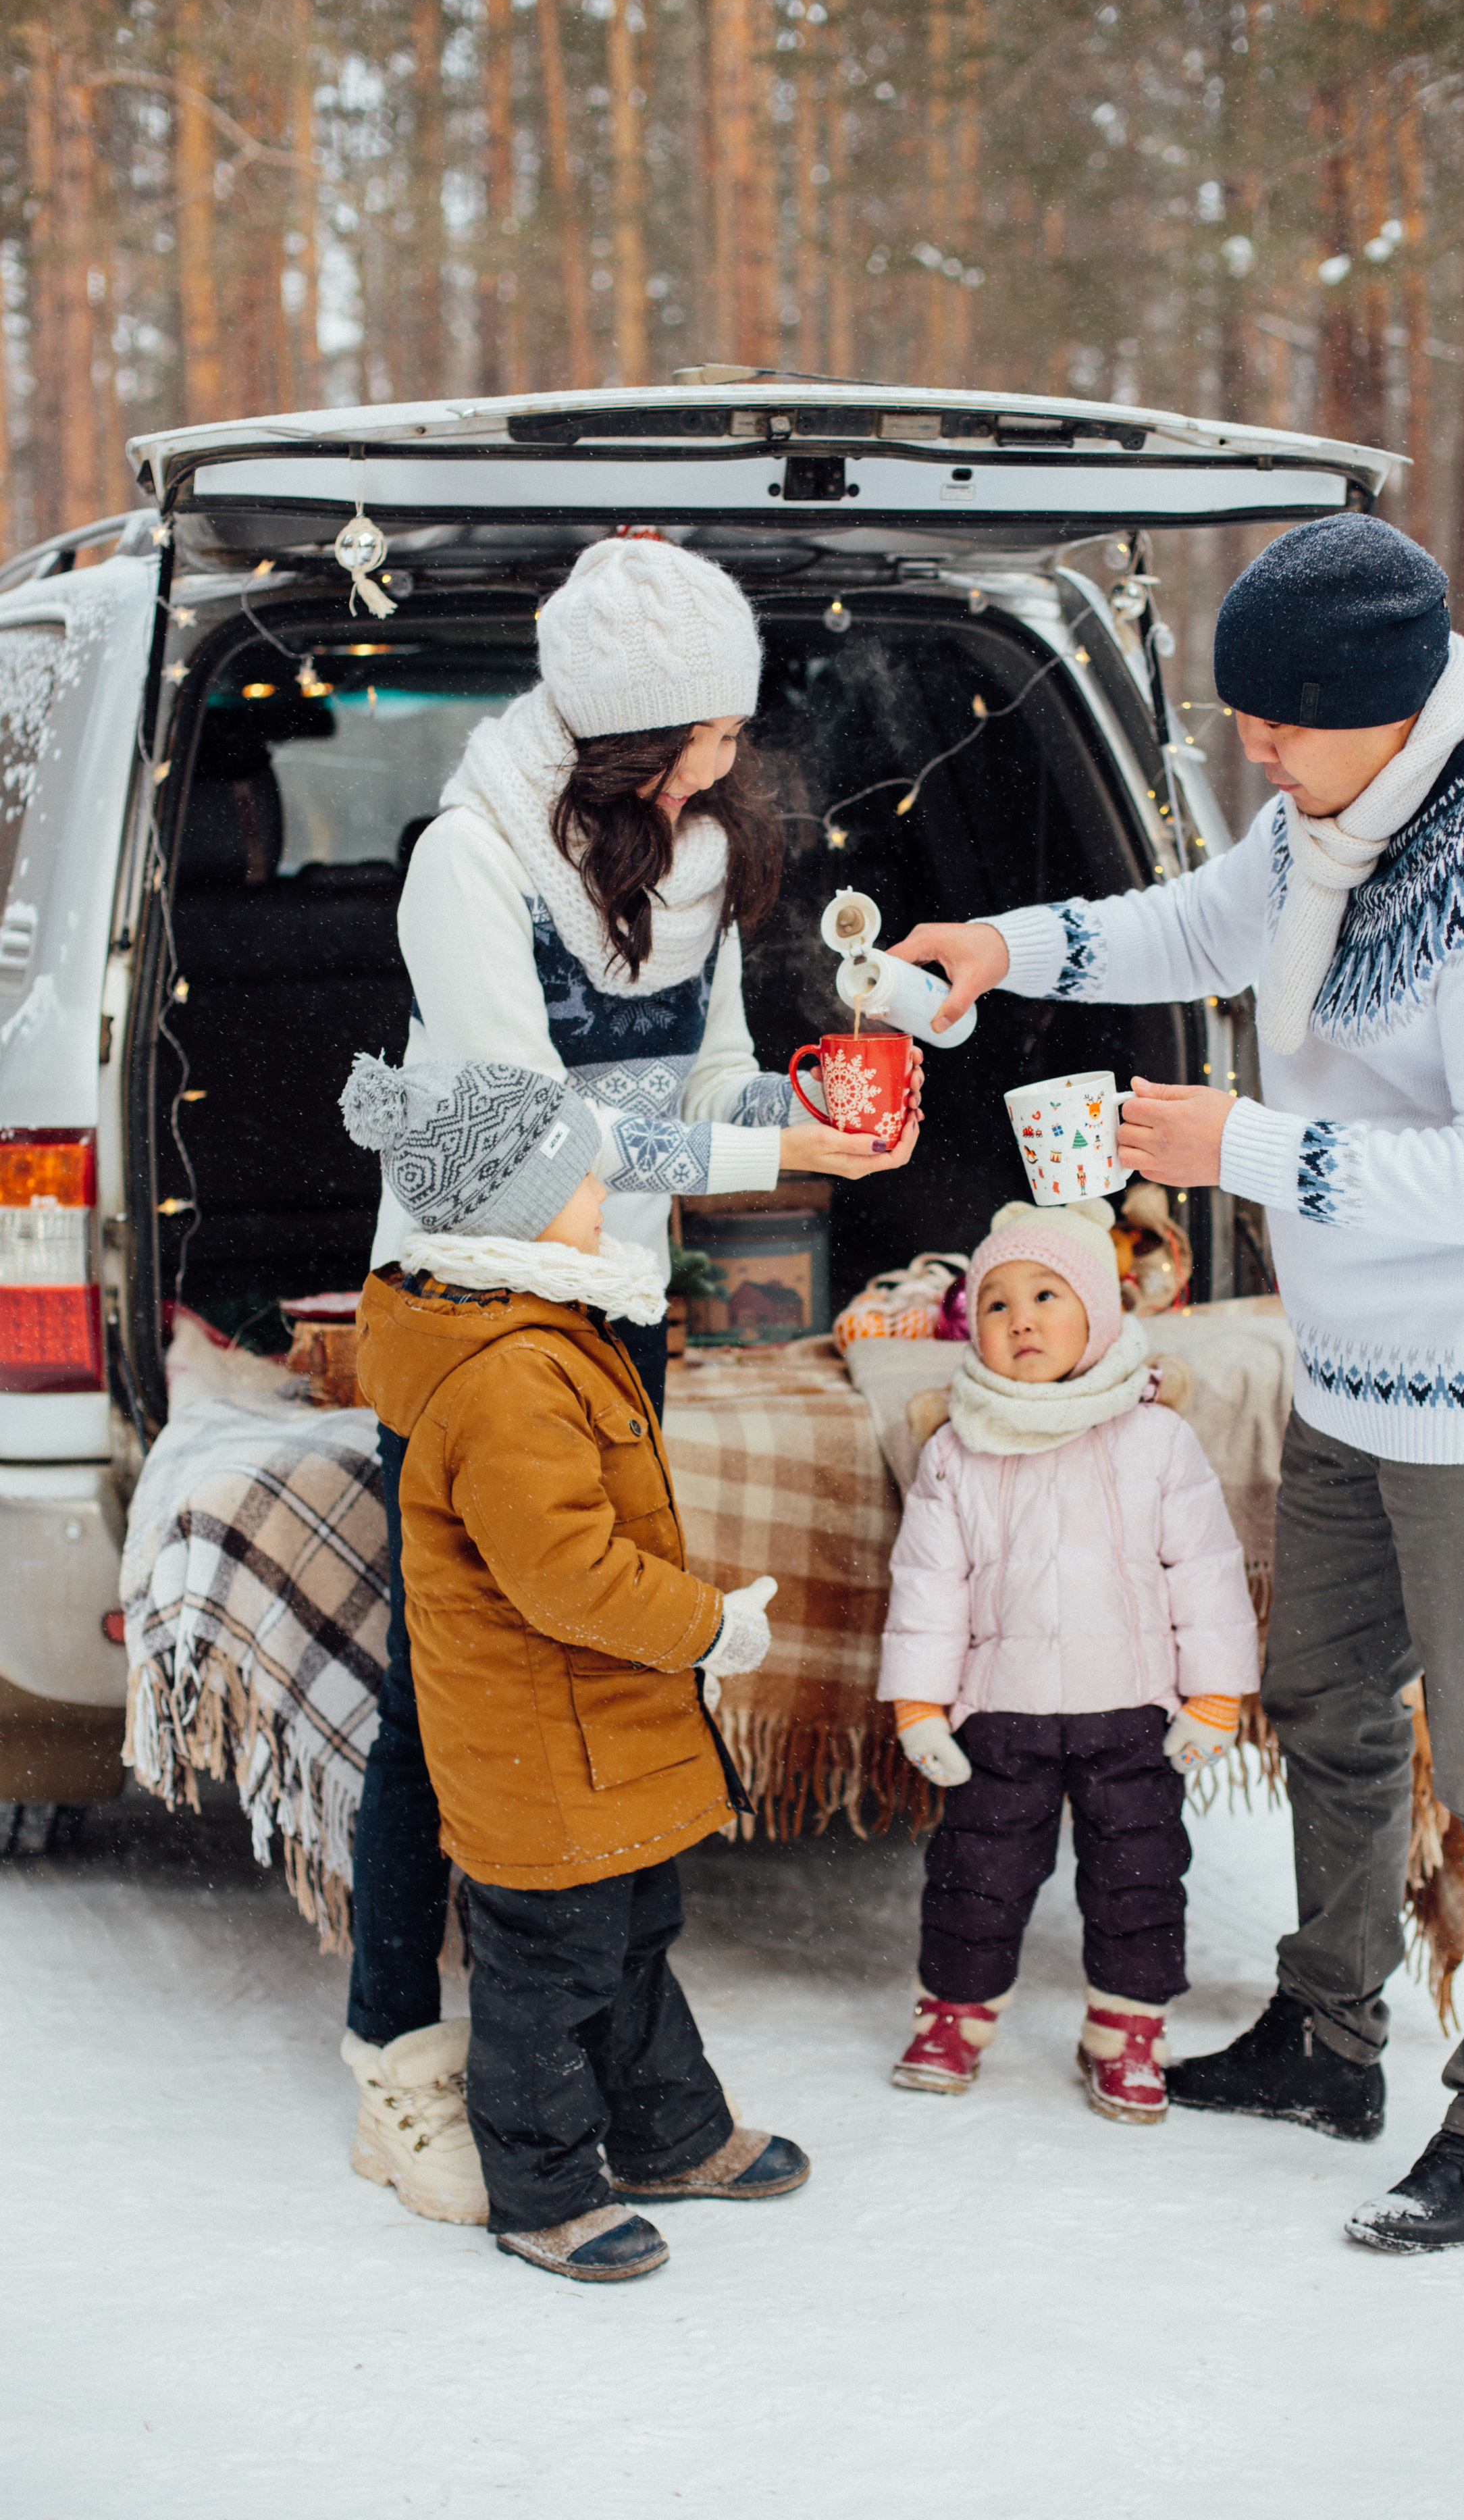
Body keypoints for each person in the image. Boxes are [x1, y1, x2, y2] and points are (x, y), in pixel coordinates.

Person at [889, 515, 1464, 2252]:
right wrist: (1003, 947)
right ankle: (1325, 2029)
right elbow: (1194, 922)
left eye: (1277, 725)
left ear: (1382, 707)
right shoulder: (1323, 812)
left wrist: (1249, 1150)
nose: (1253, 755)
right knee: (1324, 1704)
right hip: (1351, 1370)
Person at [342, 538, 919, 2221]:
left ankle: (629, 2077)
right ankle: (399, 2060)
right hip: (474, 1288)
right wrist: (733, 1146)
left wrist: (798, 1129)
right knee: (438, 1697)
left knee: (604, 1655)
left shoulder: (698, 843)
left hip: (618, 1301)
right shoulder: (466, 866)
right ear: (632, 736)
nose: (741, 754)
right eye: (716, 730)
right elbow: (523, 1142)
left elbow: (720, 1075)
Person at [338, 1051, 809, 2283]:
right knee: (548, 1962)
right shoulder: (504, 1377)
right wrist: (709, 1626)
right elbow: (568, 1577)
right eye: (586, 1179)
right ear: (518, 1208)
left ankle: (667, 2132)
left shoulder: (543, 1327)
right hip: (537, 1738)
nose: (606, 1194)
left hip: (594, 1724)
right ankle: (542, 2186)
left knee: (636, 1922)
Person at [878, 1198, 1259, 2119]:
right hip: (1000, 1712)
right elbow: (930, 1586)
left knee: (1138, 1876)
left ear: (1099, 1312)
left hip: (1129, 1709)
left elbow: (1204, 1569)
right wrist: (918, 1707)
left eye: (1047, 1295)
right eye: (997, 1304)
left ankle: (1126, 2027)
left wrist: (1214, 1695)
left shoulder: (1155, 1437)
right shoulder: (958, 1447)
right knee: (977, 1873)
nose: (1021, 1320)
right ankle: (954, 2014)